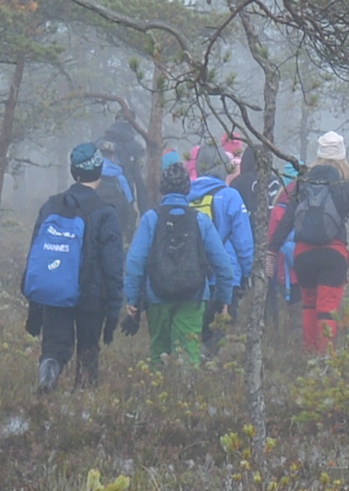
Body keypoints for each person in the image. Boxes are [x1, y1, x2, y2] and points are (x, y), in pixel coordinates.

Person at [18, 141, 135, 389]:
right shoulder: (105, 212)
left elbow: (36, 257)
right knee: (88, 350)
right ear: (99, 170)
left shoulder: (51, 206)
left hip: (55, 290)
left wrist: (34, 308)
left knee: (54, 348)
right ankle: (84, 397)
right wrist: (113, 311)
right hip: (91, 296)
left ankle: (47, 376)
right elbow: (113, 266)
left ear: (73, 171)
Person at [123, 156, 232, 364]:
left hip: (157, 296)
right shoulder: (200, 220)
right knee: (188, 354)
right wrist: (223, 300)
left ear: (162, 190)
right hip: (194, 296)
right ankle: (187, 384)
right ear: (187, 189)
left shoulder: (151, 219)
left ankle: (159, 382)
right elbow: (223, 265)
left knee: (159, 352)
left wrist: (132, 300)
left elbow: (135, 263)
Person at [279, 129, 349, 352]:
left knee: (309, 305)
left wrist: (271, 250)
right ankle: (324, 361)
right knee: (327, 309)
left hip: (303, 254)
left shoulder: (303, 182)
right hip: (334, 254)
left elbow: (287, 219)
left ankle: (308, 357)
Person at [188, 141, 259, 343]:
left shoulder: (185, 196)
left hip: (191, 276)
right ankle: (210, 359)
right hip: (226, 275)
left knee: (193, 332)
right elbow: (243, 241)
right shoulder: (230, 196)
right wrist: (247, 273)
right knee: (218, 335)